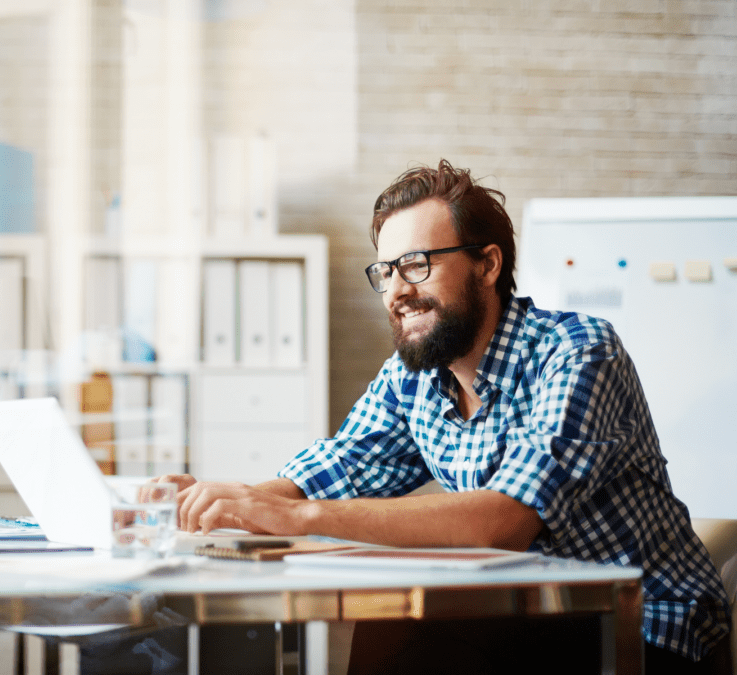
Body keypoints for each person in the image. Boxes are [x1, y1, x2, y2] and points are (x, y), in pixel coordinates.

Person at [159, 159, 731, 673]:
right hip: (530, 613)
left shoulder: (579, 350)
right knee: (397, 629)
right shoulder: (414, 377)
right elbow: (335, 467)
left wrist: (299, 517)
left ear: (487, 264)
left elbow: (505, 522)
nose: (395, 292)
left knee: (413, 639)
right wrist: (227, 506)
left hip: (648, 628)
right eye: (385, 272)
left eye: (415, 265)